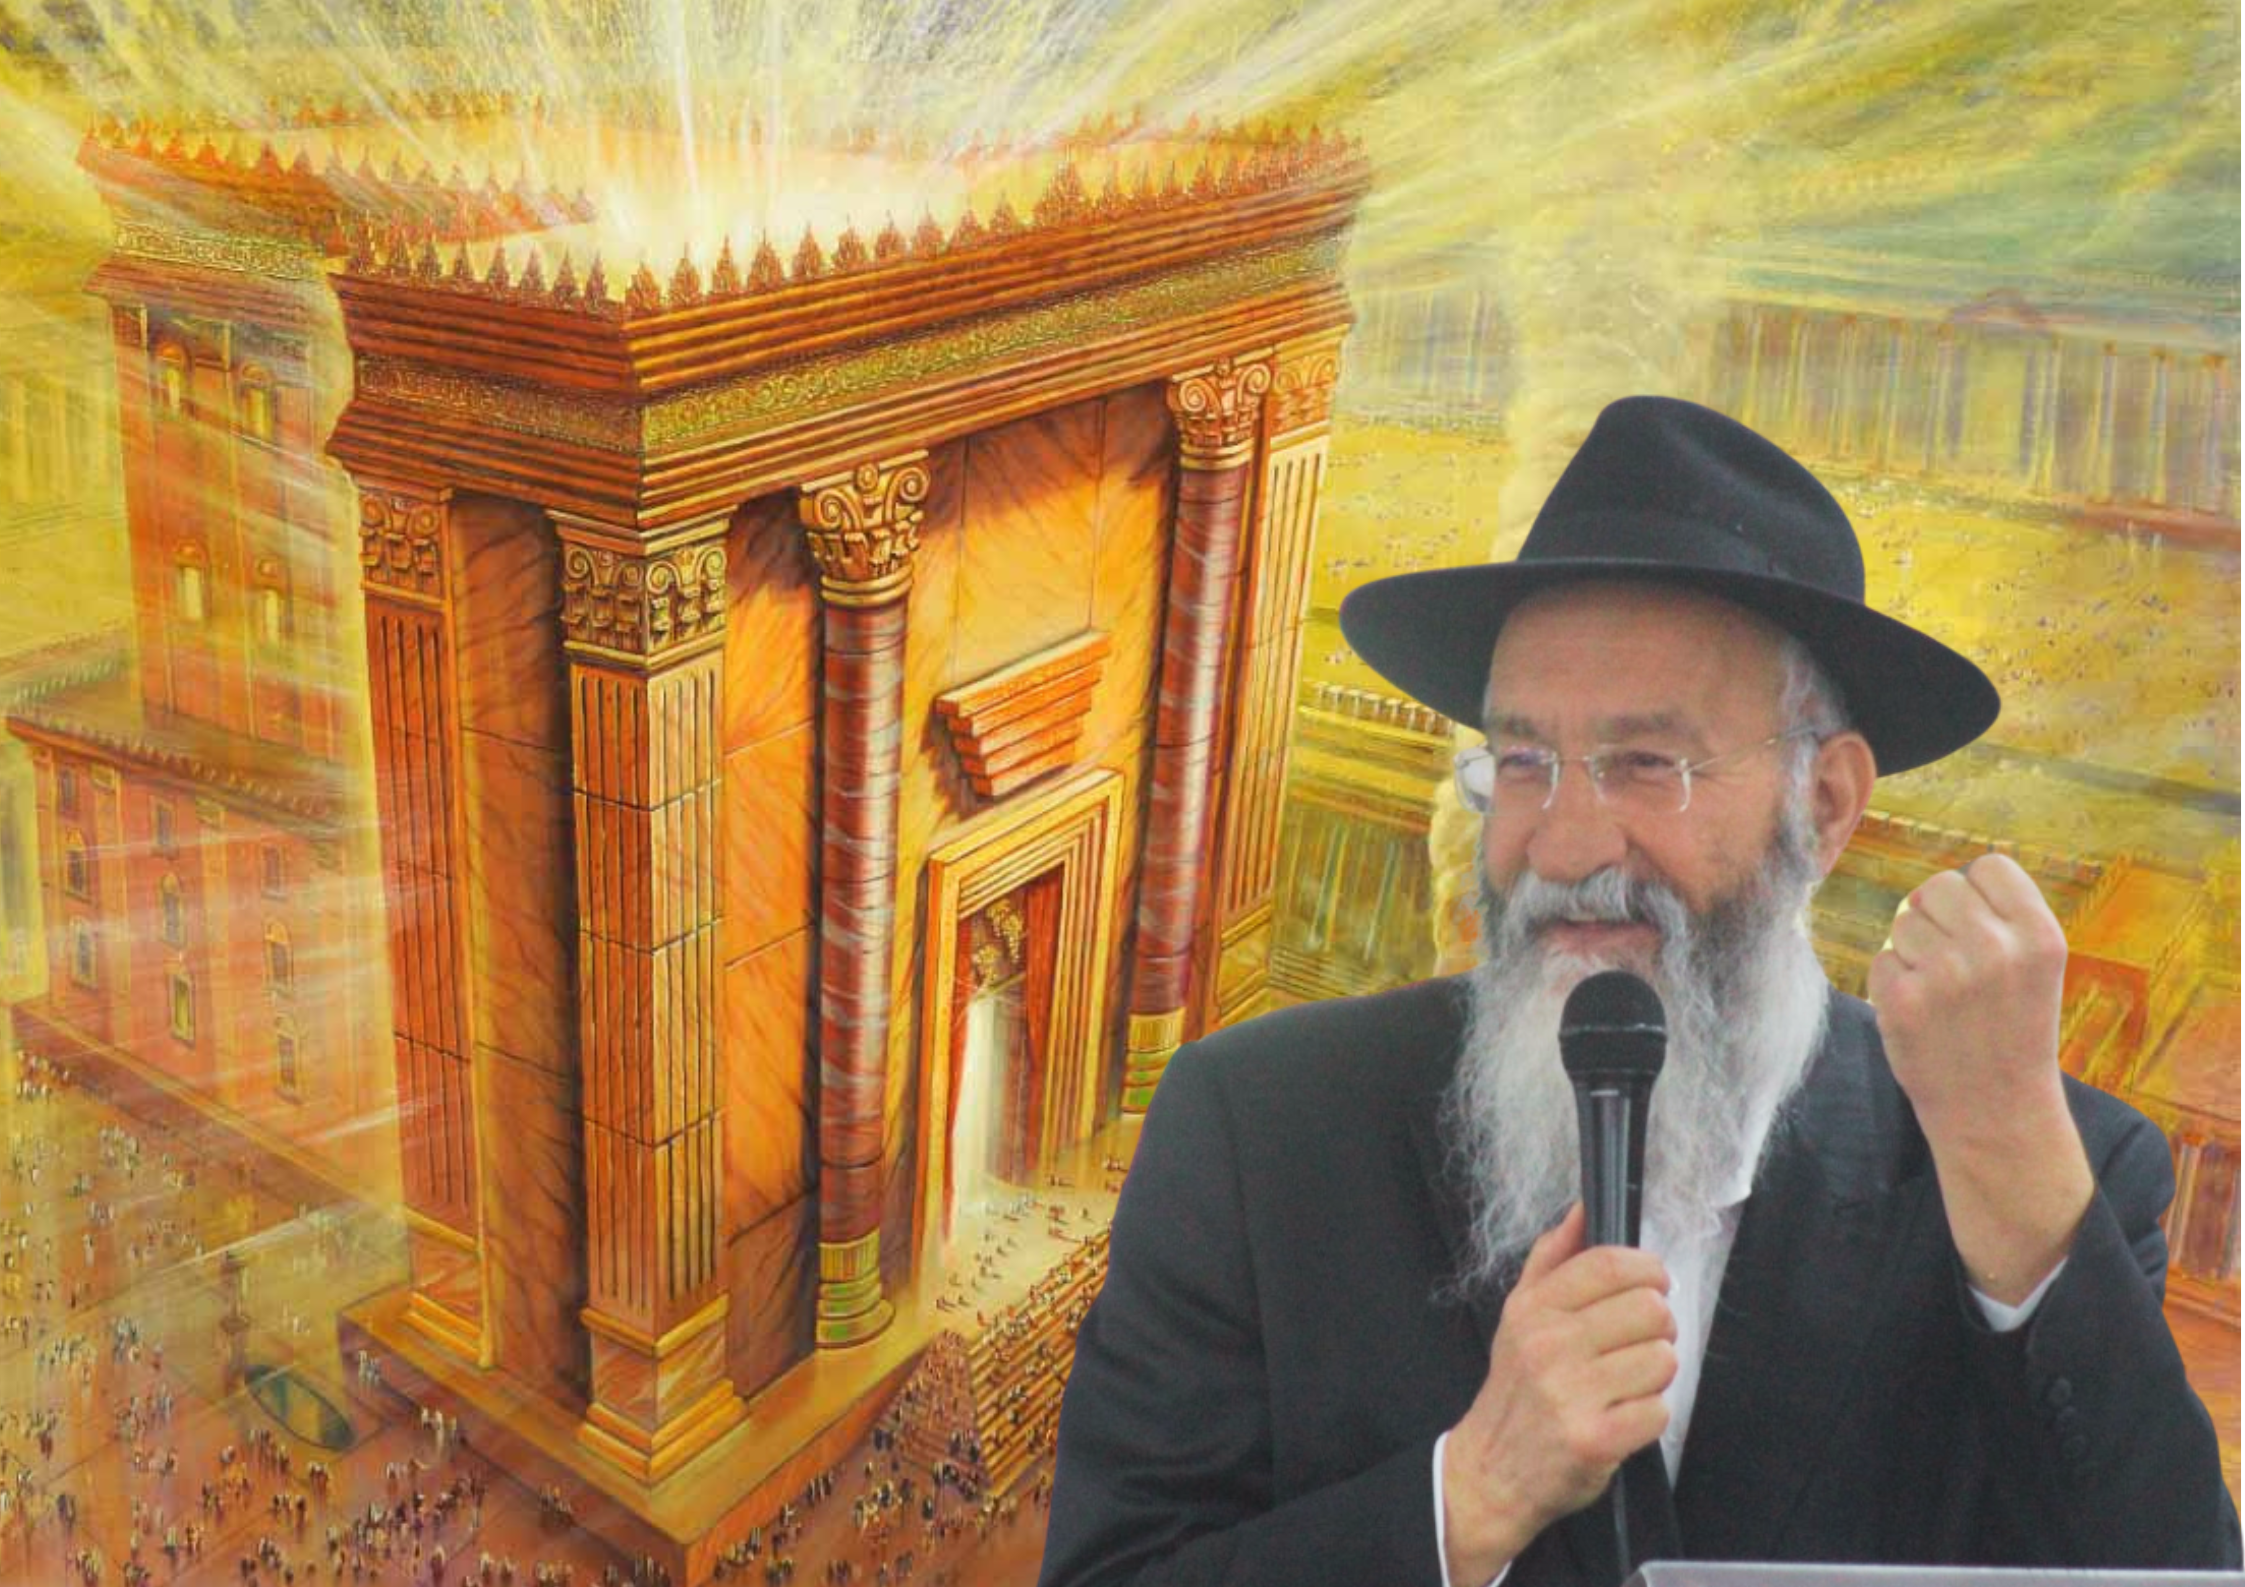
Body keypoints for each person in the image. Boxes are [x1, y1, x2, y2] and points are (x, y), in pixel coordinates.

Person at [1037, 396, 2241, 1586]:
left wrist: (2015, 1188)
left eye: (1646, 764)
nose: (1564, 846)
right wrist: (1470, 1496)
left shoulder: (2032, 1168)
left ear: (1823, 805)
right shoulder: (1259, 1130)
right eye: (1523, 761)